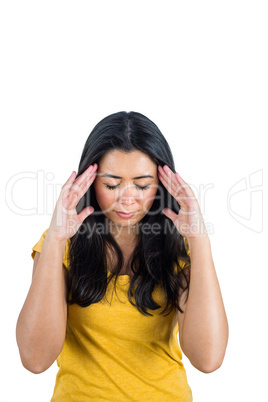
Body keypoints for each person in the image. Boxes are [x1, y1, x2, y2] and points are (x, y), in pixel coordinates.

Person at [16, 111, 229, 401]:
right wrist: (55, 239)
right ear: (90, 182)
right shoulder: (61, 245)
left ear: (162, 185)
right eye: (112, 185)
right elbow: (34, 359)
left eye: (142, 185)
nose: (127, 198)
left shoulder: (182, 250)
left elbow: (208, 359)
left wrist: (199, 240)